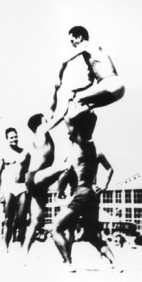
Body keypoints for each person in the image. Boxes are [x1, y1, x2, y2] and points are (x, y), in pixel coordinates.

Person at [50, 112, 118, 270]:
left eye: (70, 133)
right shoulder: (96, 152)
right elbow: (110, 170)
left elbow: (66, 119)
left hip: (80, 193)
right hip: (93, 196)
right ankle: (115, 262)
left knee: (56, 228)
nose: (68, 134)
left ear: (77, 131)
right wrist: (104, 186)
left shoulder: (78, 146)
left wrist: (67, 98)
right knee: (91, 235)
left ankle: (68, 263)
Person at [49, 26, 125, 127]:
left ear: (79, 38)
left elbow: (63, 61)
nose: (72, 45)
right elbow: (90, 82)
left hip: (109, 84)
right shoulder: (93, 54)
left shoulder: (85, 45)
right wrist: (76, 90)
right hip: (118, 90)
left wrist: (59, 80)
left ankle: (76, 138)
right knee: (83, 108)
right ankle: (86, 140)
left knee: (75, 104)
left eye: (72, 41)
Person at [23, 114, 55, 253]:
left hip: (36, 182)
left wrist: (55, 91)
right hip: (37, 176)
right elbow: (58, 117)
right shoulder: (40, 133)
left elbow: (52, 108)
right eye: (45, 120)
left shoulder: (42, 134)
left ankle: (24, 253)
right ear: (39, 125)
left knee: (35, 221)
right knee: (66, 167)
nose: (47, 120)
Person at [0, 127, 29, 249]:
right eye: (11, 137)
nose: (14, 139)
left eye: (15, 136)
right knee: (8, 220)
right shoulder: (3, 153)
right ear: (7, 139)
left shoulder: (25, 153)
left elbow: (29, 171)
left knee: (22, 220)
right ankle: (5, 248)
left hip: (21, 187)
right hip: (8, 187)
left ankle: (23, 249)